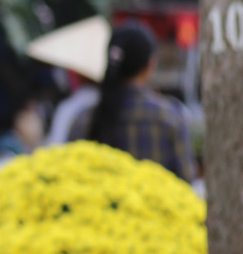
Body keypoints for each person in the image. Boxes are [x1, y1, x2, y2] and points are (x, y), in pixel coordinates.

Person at [66, 23, 195, 180]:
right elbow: (186, 180)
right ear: (150, 64)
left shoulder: (84, 119)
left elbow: (70, 176)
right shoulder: (170, 117)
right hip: (157, 204)